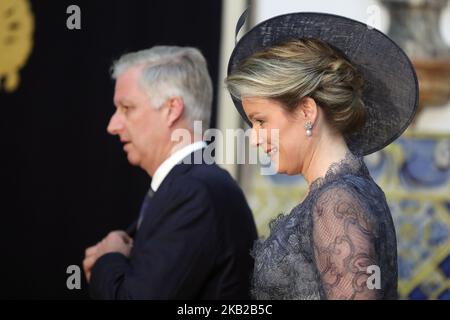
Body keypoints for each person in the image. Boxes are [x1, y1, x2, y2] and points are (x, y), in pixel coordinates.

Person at [225, 12, 418, 299]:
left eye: (261, 121)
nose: (253, 138)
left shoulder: (336, 202)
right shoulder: (339, 192)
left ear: (306, 111)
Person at [83, 46, 257, 299]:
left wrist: (107, 259)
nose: (113, 125)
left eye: (127, 108)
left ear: (171, 109)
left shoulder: (193, 192)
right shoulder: (191, 186)